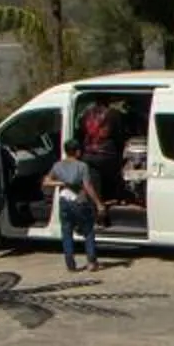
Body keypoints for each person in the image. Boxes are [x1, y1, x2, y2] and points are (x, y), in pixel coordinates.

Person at [49, 144, 101, 273]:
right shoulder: (82, 166)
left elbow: (46, 181)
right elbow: (88, 186)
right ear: (77, 152)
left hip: (64, 202)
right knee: (88, 231)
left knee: (67, 232)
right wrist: (98, 203)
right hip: (79, 201)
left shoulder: (57, 166)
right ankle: (91, 262)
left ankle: (70, 265)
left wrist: (61, 183)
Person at [78, 95, 121, 220]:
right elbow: (118, 135)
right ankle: (117, 197)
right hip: (107, 154)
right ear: (107, 102)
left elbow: (81, 133)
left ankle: (96, 214)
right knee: (117, 173)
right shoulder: (113, 114)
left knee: (94, 184)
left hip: (89, 154)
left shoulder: (86, 114)